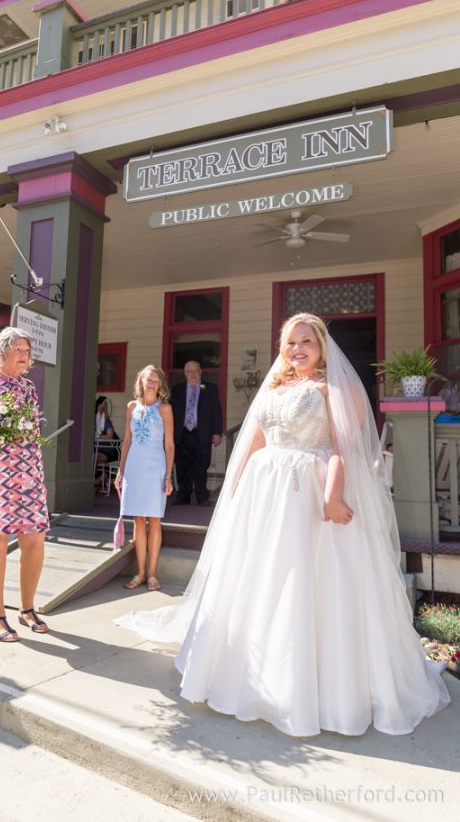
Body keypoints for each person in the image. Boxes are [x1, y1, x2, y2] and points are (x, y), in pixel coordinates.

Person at [117, 314, 450, 736]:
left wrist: (332, 496)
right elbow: (257, 436)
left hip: (306, 495)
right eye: (291, 342)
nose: (297, 349)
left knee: (302, 580)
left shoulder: (332, 387)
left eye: (306, 341)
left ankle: (307, 686)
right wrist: (236, 482)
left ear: (322, 346)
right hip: (262, 495)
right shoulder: (274, 385)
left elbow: (342, 448)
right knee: (259, 578)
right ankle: (246, 671)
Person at [0, 327, 50, 642]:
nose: (23, 355)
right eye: (18, 349)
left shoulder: (29, 387)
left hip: (29, 470)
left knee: (34, 539)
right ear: (1, 351)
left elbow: (31, 429)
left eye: (27, 351)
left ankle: (27, 608)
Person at [115, 365, 174, 592]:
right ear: (140, 381)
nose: (151, 384)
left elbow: (169, 445)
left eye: (156, 381)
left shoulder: (165, 409)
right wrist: (121, 471)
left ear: (160, 385)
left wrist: (168, 476)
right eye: (148, 380)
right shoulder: (132, 407)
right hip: (134, 467)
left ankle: (152, 574)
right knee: (138, 520)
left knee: (155, 520)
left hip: (155, 467)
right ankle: (139, 573)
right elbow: (127, 441)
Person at [170, 361, 223, 506]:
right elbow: (171, 414)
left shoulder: (210, 388)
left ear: (201, 372)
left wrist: (217, 432)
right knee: (182, 466)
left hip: (203, 433)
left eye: (196, 371)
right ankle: (183, 496)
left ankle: (202, 496)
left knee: (201, 465)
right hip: (182, 434)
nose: (193, 374)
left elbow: (217, 411)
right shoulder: (177, 390)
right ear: (185, 373)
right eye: (189, 371)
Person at [93, 396, 120, 473]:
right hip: (95, 449)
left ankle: (92, 479)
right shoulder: (94, 421)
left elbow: (110, 436)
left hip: (106, 452)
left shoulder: (107, 423)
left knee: (94, 458)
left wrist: (98, 436)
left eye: (99, 404)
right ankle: (100, 477)